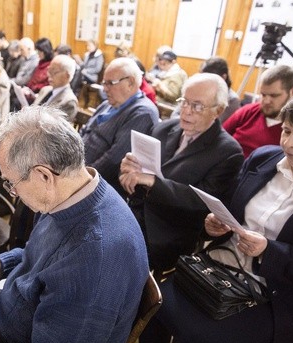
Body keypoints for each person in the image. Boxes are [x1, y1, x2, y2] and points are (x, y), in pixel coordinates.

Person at [0, 106, 149, 343]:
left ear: (44, 176)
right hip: (13, 306)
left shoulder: (94, 260)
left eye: (11, 183)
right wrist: (1, 263)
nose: (13, 193)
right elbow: (45, 256)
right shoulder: (72, 190)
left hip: (18, 332)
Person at [146, 92, 293, 343]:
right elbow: (233, 211)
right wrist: (215, 226)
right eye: (286, 131)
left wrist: (268, 251)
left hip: (275, 295)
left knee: (201, 335)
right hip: (218, 268)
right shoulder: (263, 159)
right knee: (152, 303)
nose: (288, 144)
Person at [120, 73, 244, 272]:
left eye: (197, 106)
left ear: (218, 111)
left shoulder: (228, 151)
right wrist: (129, 168)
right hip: (134, 212)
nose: (186, 111)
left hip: (169, 231)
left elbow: (202, 202)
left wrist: (153, 182)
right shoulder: (165, 127)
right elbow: (142, 172)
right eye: (184, 101)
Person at [80, 57, 159, 198]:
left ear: (131, 82)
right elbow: (84, 132)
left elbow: (113, 159)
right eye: (104, 83)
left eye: (111, 83)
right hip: (77, 169)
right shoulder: (107, 104)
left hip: (96, 187)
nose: (104, 89)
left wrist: (81, 178)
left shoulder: (143, 112)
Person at [223, 65, 293, 158]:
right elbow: (219, 137)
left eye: (274, 96)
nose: (266, 101)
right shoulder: (248, 111)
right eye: (263, 94)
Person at [31, 54, 78, 122]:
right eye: (49, 70)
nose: (49, 75)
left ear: (67, 76)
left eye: (54, 72)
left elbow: (55, 130)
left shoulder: (69, 101)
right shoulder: (45, 89)